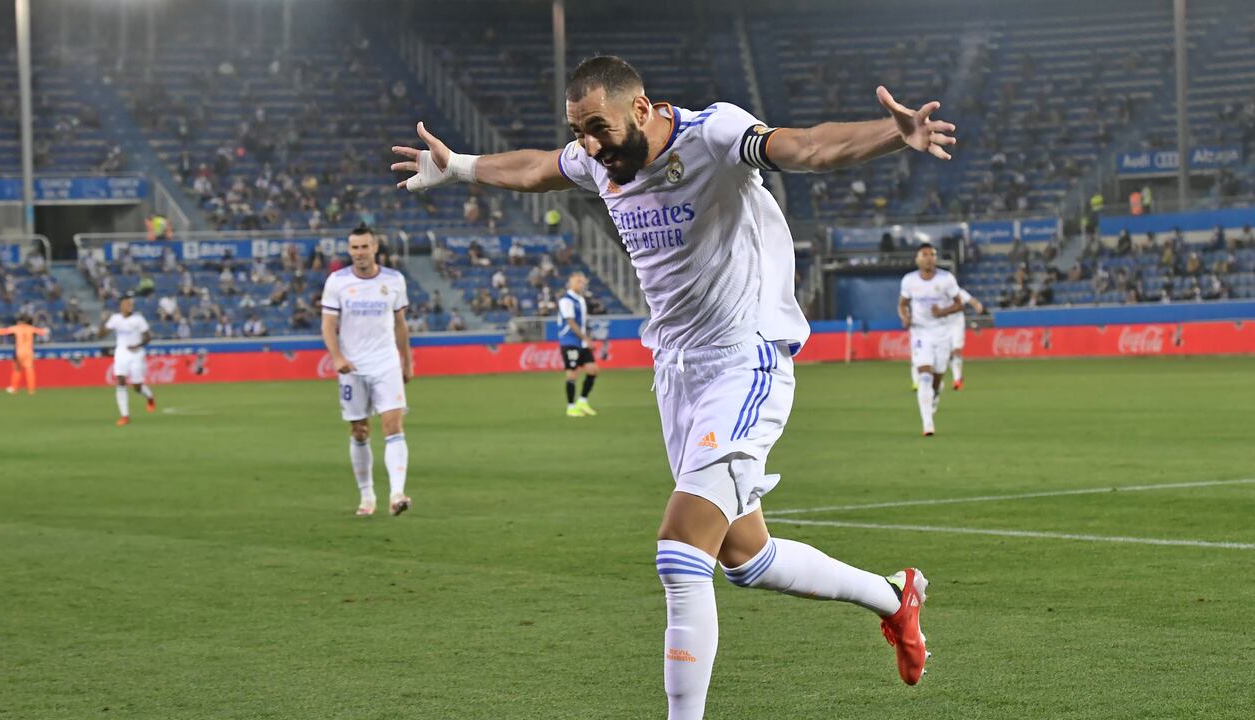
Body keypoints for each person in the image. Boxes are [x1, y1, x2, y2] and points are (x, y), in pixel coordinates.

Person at [392, 54, 951, 716]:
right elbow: (540, 167)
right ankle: (895, 595)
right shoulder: (596, 158)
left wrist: (895, 134)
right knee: (748, 558)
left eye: (598, 127)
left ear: (640, 108)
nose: (591, 146)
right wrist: (457, 166)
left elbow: (804, 147)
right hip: (677, 373)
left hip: (745, 359)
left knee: (681, 550)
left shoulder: (712, 135)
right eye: (580, 131)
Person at [320, 226, 414, 518]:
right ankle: (367, 495)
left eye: (364, 247)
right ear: (349, 251)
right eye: (354, 248)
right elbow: (327, 325)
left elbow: (400, 324)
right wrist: (337, 357)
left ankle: (397, 493)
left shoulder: (394, 280)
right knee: (359, 430)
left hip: (386, 363)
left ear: (375, 248)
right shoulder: (337, 282)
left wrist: (407, 361)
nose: (359, 253)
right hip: (353, 366)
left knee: (393, 426)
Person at [899, 243, 963, 436]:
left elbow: (959, 304)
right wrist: (905, 318)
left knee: (937, 377)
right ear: (917, 259)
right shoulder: (909, 280)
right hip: (920, 333)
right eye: (924, 254)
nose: (928, 258)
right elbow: (902, 304)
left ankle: (935, 394)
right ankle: (928, 424)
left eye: (932, 255)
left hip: (942, 333)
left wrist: (942, 311)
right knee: (924, 376)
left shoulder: (946, 279)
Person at [99, 294, 156, 426]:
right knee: (120, 380)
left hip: (136, 354)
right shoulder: (115, 318)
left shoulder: (138, 319)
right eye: (126, 304)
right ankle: (125, 416)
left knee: (137, 386)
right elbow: (101, 335)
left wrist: (138, 345)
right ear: (121, 306)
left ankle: (149, 397)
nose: (129, 306)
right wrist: (104, 321)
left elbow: (148, 337)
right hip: (121, 352)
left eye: (130, 304)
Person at [557, 272, 600, 418]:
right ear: (571, 283)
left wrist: (586, 337)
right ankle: (571, 407)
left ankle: (582, 401)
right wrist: (585, 338)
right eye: (578, 282)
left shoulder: (580, 300)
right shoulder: (566, 300)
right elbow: (570, 322)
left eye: (583, 282)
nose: (581, 285)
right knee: (572, 373)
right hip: (569, 341)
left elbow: (582, 322)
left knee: (593, 370)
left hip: (581, 342)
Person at [0, 314, 49, 394]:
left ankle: (14, 388)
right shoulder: (31, 328)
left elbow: (3, 331)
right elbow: (43, 332)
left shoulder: (16, 328)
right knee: (30, 370)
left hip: (19, 351)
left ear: (20, 321)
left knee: (17, 369)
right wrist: (46, 330)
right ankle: (31, 390)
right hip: (29, 351)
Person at [949, 289, 984, 390]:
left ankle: (957, 380)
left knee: (957, 349)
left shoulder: (959, 292)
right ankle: (958, 376)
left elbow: (972, 301)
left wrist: (978, 306)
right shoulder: (939, 292)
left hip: (957, 325)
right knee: (948, 354)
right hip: (943, 326)